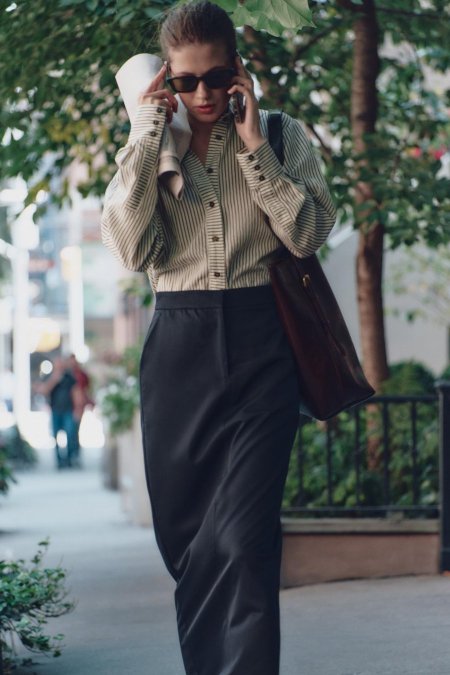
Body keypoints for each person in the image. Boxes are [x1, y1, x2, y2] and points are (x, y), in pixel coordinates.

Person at [101, 2, 336, 673]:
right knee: (189, 544)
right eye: (184, 82)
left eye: (216, 76)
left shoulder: (284, 136)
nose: (202, 94)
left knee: (243, 538)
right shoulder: (151, 150)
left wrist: (255, 147)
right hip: (179, 349)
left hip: (264, 348)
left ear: (239, 70)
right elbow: (128, 243)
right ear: (165, 83)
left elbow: (307, 234)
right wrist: (148, 137)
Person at [38, 356, 77, 469]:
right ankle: (59, 461)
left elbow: (75, 392)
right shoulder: (49, 377)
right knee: (55, 435)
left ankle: (69, 458)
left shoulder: (69, 377)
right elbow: (43, 390)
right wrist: (54, 379)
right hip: (55, 410)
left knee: (70, 434)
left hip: (68, 410)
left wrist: (77, 408)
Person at [68, 353, 94, 464]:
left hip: (78, 407)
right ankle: (71, 455)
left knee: (74, 431)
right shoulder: (67, 374)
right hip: (68, 407)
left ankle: (75, 455)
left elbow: (85, 390)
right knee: (71, 432)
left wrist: (86, 403)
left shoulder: (81, 375)